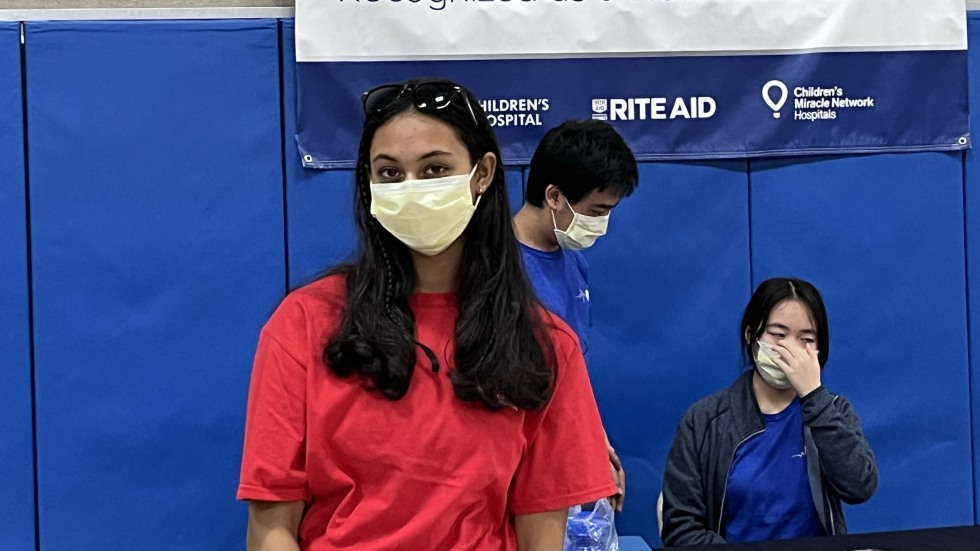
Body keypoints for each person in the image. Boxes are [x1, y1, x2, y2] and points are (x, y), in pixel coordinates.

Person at [237, 78, 616, 551]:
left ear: (482, 174)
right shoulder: (303, 324)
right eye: (390, 173)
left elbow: (541, 533)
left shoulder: (545, 346)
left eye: (435, 168)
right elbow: (271, 527)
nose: (411, 189)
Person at [661, 277, 878, 546]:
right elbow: (681, 530)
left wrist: (814, 397)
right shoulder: (704, 421)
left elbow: (860, 487)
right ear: (751, 335)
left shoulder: (834, 411)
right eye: (778, 334)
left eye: (806, 339)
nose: (790, 349)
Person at [513, 120, 639, 511]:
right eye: (596, 211)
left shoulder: (575, 265)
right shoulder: (491, 269)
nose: (601, 224)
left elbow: (573, 375)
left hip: (563, 456)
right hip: (511, 464)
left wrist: (594, 441)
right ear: (554, 195)